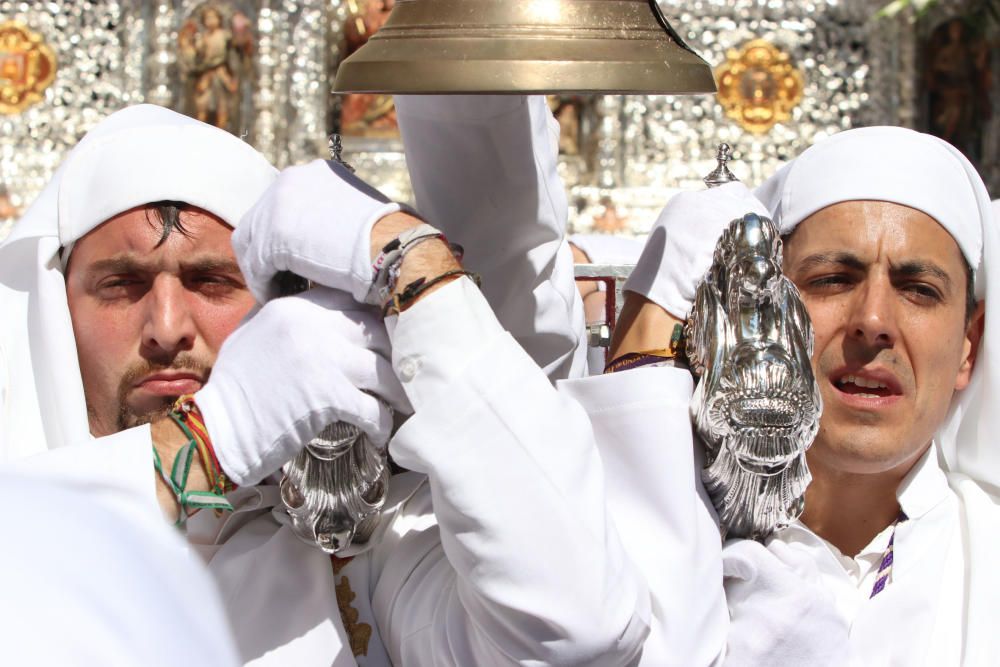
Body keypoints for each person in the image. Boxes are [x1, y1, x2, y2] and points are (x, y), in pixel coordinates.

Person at [0, 97, 646, 665]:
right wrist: (206, 442)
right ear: (59, 309)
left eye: (210, 282)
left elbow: (578, 629)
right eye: (122, 285)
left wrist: (414, 266)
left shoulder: (354, 548)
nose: (166, 327)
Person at [566, 126, 1000, 664]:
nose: (872, 321)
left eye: (918, 290)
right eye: (834, 279)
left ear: (968, 346)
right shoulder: (653, 543)